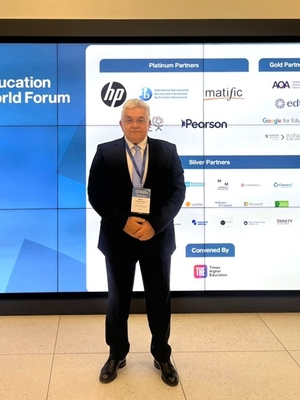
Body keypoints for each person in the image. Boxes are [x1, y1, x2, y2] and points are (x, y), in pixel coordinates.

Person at [87, 98, 186, 386]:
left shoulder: (168, 151)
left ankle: (162, 355)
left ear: (149, 123)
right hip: (119, 238)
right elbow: (96, 194)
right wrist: (124, 222)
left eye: (140, 120)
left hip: (157, 238)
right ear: (121, 124)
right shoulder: (105, 152)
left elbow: (177, 192)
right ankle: (116, 354)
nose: (134, 125)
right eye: (129, 120)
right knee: (118, 301)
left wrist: (155, 225)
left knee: (159, 300)